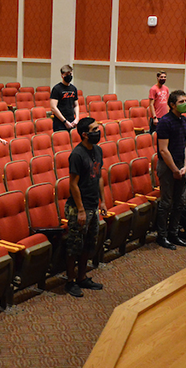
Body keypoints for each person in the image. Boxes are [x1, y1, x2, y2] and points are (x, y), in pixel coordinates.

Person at [64, 117, 105, 298]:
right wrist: (80, 210)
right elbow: (73, 184)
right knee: (75, 246)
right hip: (78, 208)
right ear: (84, 134)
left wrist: (102, 201)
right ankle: (70, 281)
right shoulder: (77, 154)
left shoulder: (98, 150)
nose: (98, 131)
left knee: (89, 245)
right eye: (94, 129)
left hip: (93, 205)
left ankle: (82, 277)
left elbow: (99, 176)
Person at [154, 90, 186, 250]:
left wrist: (185, 166)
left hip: (180, 166)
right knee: (166, 202)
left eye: (185, 100)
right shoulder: (165, 122)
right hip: (167, 166)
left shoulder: (184, 121)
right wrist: (175, 169)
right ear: (172, 105)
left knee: (180, 202)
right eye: (181, 101)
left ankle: (173, 233)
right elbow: (163, 150)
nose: (185, 104)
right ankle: (162, 236)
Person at [51, 65, 80, 132]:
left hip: (72, 121)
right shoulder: (57, 88)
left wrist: (77, 118)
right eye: (67, 74)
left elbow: (76, 105)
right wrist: (65, 121)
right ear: (62, 75)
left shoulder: (73, 88)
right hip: (60, 123)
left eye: (70, 74)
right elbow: (53, 107)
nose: (69, 76)